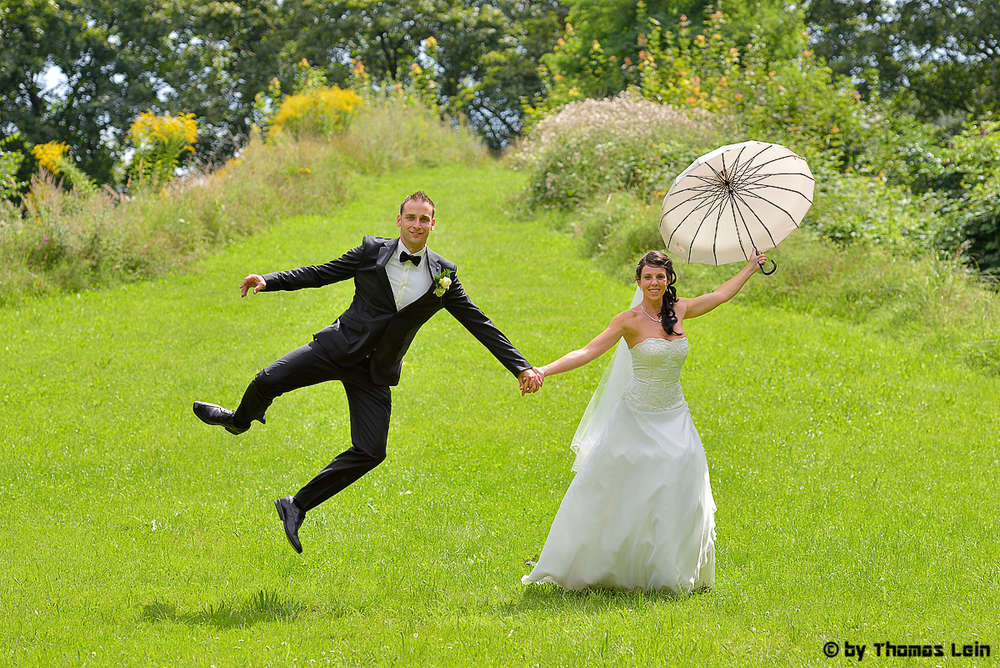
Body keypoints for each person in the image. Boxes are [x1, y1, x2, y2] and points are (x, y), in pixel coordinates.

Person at [193, 191, 544, 553]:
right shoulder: (370, 251)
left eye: (425, 219)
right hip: (338, 348)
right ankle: (238, 420)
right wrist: (271, 280)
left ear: (433, 224)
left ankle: (296, 505)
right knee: (267, 380)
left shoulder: (444, 277)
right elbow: (320, 274)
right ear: (399, 220)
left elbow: (479, 323)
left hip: (375, 372)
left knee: (372, 450)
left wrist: (520, 366)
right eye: (411, 217)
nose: (417, 225)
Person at [521, 249, 766, 593]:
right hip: (636, 417)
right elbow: (588, 352)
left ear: (669, 281)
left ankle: (670, 570)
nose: (654, 282)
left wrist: (751, 268)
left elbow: (720, 295)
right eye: (648, 277)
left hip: (675, 415)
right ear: (639, 282)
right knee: (622, 489)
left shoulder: (680, 310)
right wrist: (543, 370)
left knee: (682, 480)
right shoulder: (628, 320)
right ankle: (606, 565)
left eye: (660, 277)